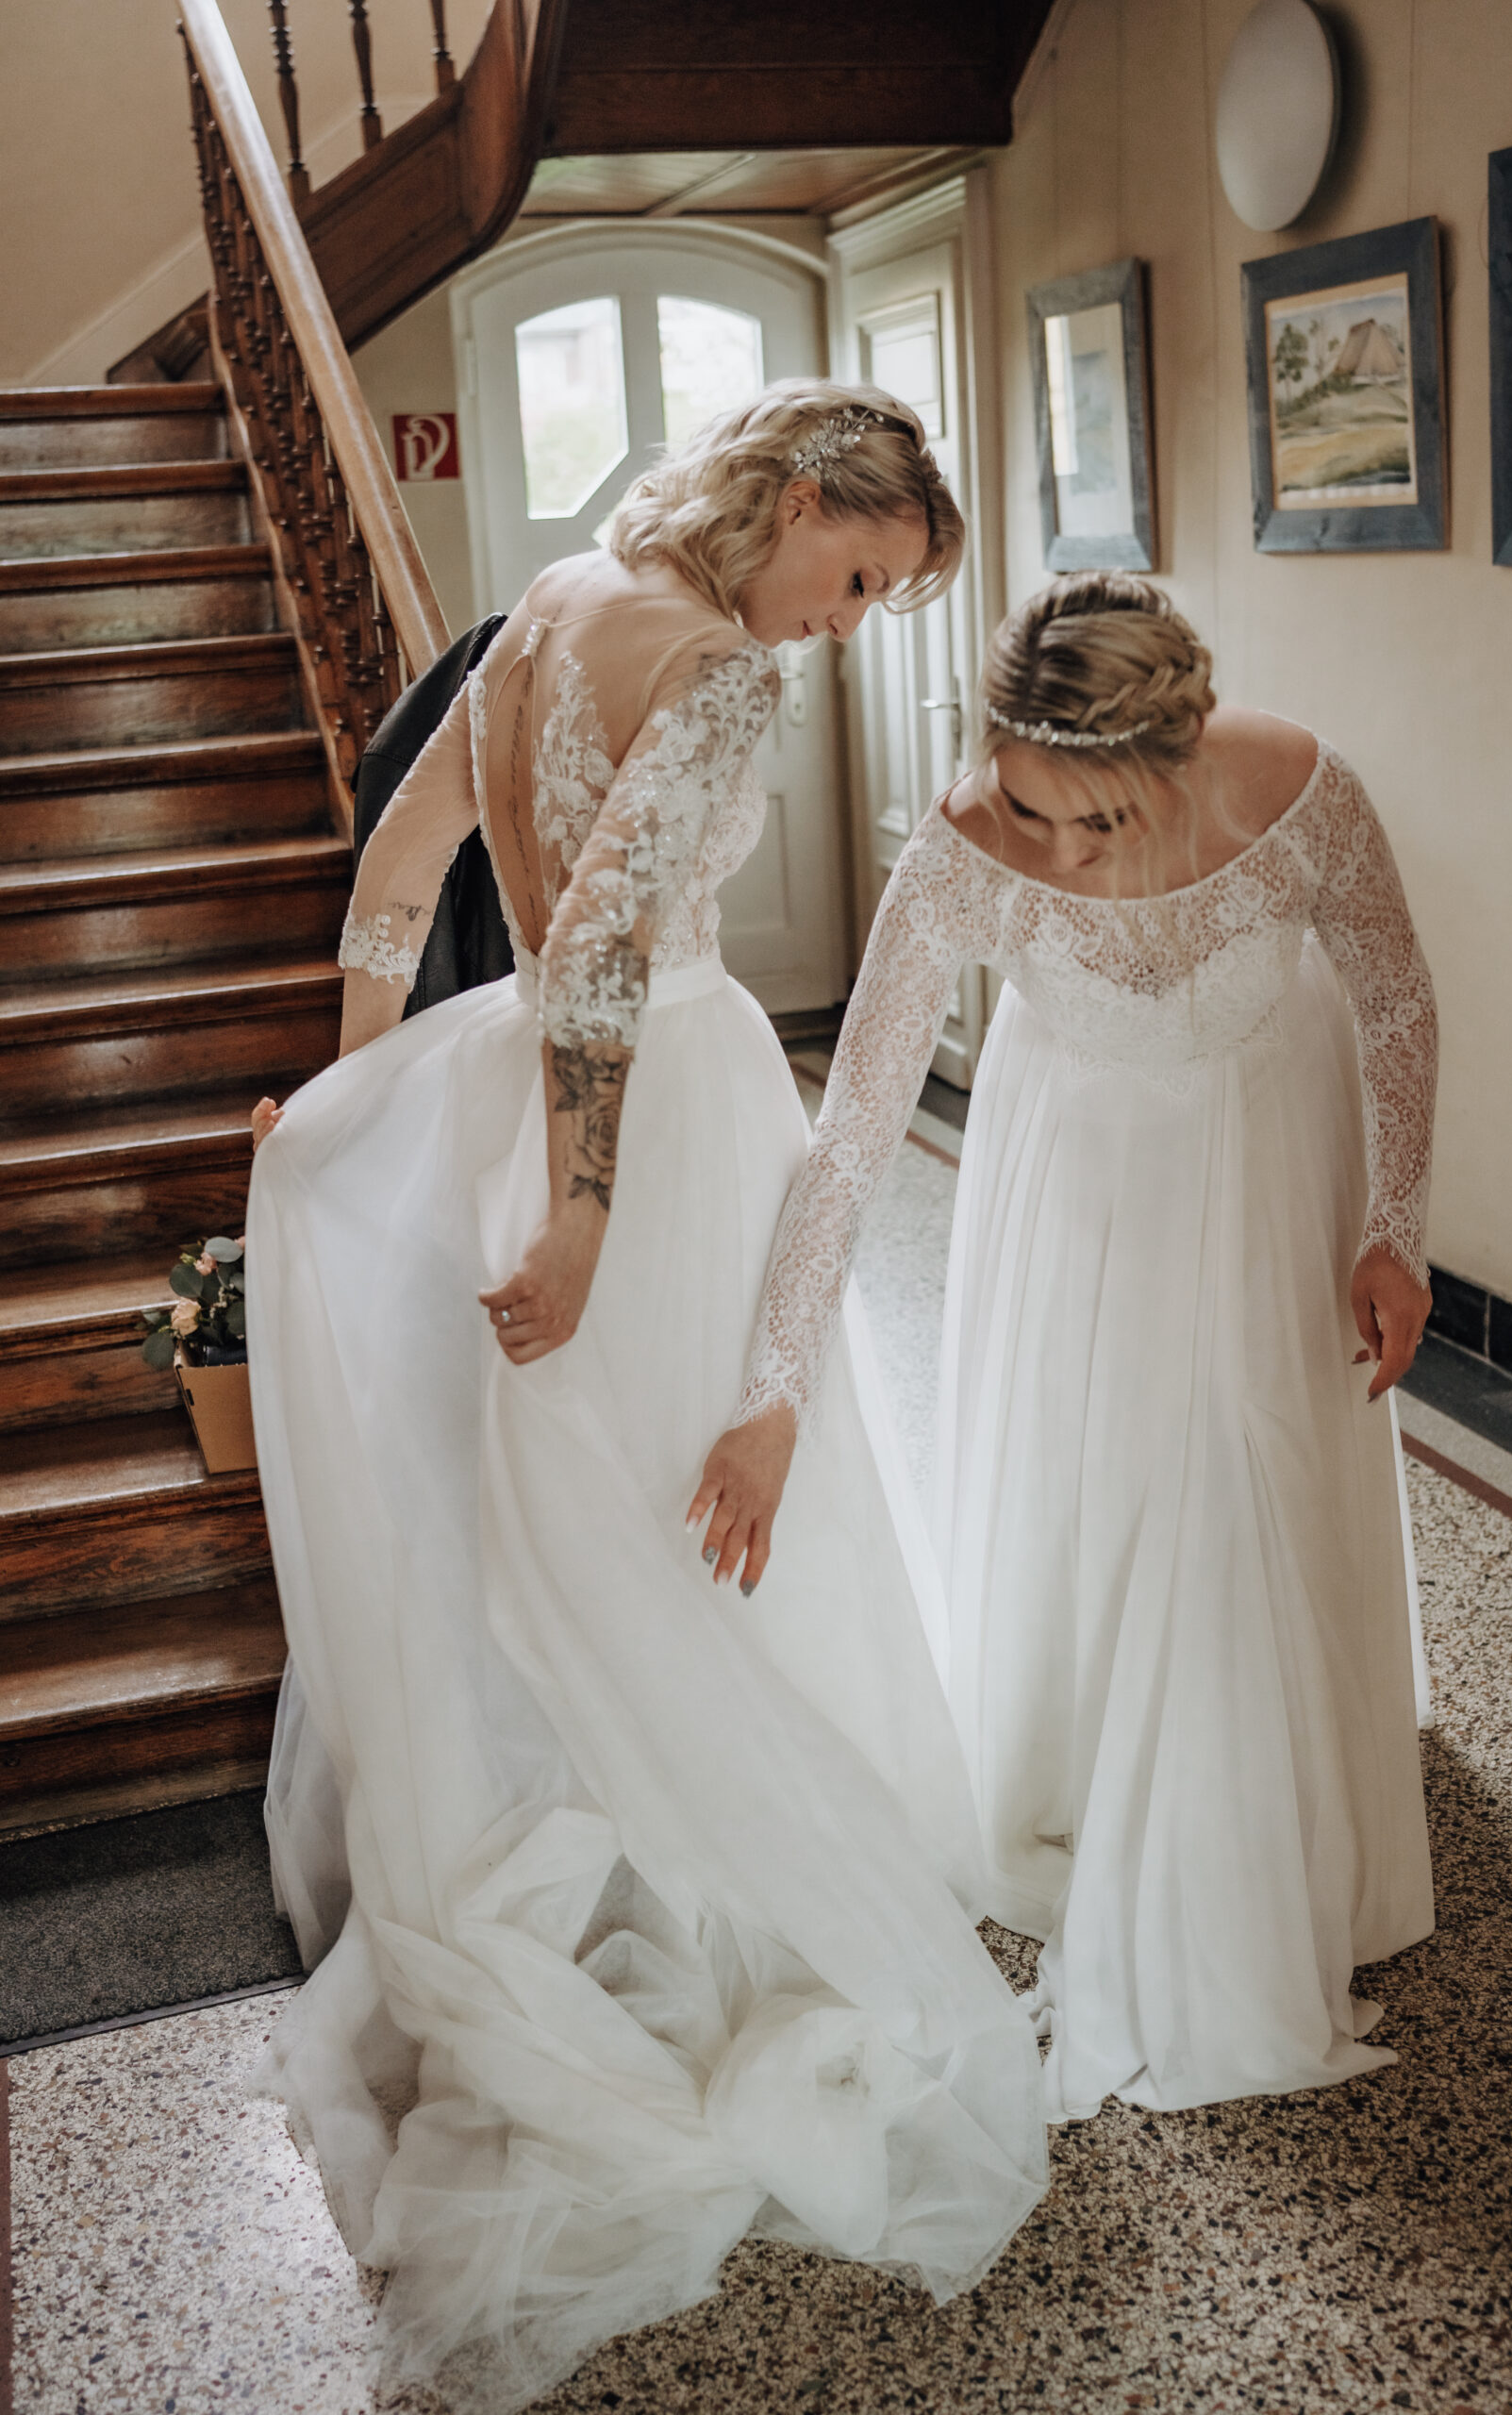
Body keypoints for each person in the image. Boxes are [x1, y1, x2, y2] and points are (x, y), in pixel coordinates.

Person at [244, 383, 1047, 2411]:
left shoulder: (551, 598)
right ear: (801, 498)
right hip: (654, 1122)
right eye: (855, 578)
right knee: (693, 1511)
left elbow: (407, 846)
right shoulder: (708, 666)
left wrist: (357, 1073)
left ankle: (610, 1840)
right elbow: (603, 945)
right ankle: (710, 1869)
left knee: (571, 1516)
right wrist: (590, 1206)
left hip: (506, 1092)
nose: (841, 627)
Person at [693, 572, 1438, 2120]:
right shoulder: (964, 846)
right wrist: (775, 1396)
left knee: (1251, 1473)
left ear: (1178, 757)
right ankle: (1107, 1774)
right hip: (1079, 1186)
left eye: (1094, 820)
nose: (1056, 851)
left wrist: (1394, 1228)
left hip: (1272, 1165)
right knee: (1114, 1475)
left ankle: (1273, 1802)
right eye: (1027, 807)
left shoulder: (1301, 787)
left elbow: (1393, 997)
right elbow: (853, 1135)